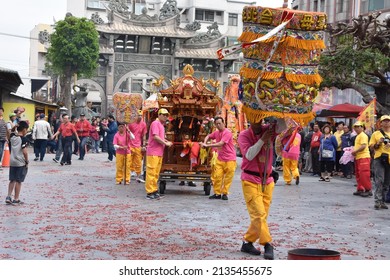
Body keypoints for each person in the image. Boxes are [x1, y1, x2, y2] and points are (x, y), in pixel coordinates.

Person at [238, 118, 286, 260]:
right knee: (259, 214)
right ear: (250, 121)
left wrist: (278, 115)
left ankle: (247, 241)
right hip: (250, 180)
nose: (258, 124)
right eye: (254, 121)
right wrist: (262, 140)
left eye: (260, 121)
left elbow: (282, 126)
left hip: (268, 180)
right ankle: (267, 244)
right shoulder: (244, 135)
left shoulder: (269, 129)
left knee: (261, 216)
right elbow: (249, 155)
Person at [201, 117, 236, 200]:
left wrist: (207, 145)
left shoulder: (227, 132)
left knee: (228, 178)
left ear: (224, 123)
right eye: (216, 124)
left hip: (230, 159)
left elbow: (220, 143)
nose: (218, 125)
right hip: (220, 158)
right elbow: (208, 136)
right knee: (217, 176)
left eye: (220, 123)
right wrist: (204, 142)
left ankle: (225, 193)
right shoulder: (216, 133)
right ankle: (217, 193)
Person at [144, 108, 173, 199]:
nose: (165, 117)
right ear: (159, 115)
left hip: (159, 152)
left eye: (166, 115)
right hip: (153, 152)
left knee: (156, 173)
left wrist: (166, 141)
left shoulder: (161, 125)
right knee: (151, 172)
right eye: (163, 115)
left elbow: (160, 137)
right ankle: (149, 192)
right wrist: (165, 143)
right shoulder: (155, 123)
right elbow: (155, 137)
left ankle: (154, 190)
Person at [5, 121, 29, 205]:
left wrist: (14, 127)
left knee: (12, 180)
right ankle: (16, 198)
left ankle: (8, 196)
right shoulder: (24, 139)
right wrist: (27, 161)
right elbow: (25, 152)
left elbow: (9, 132)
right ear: (24, 130)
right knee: (18, 181)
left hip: (12, 162)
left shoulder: (12, 137)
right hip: (20, 162)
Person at [369, 115, 390, 209]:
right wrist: (379, 143)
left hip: (389, 160)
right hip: (379, 159)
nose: (386, 122)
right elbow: (371, 147)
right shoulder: (376, 134)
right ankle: (377, 201)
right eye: (384, 121)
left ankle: (383, 201)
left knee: (387, 182)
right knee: (379, 180)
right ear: (380, 123)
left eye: (388, 121)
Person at [351, 121, 372, 198]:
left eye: (358, 127)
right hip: (358, 157)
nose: (356, 128)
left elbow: (363, 146)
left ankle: (368, 189)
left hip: (364, 157)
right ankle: (360, 188)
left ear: (362, 127)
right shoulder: (358, 136)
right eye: (355, 127)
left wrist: (355, 151)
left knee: (364, 174)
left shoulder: (363, 135)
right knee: (358, 174)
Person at [128, 110, 147, 183]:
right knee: (129, 160)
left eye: (141, 116)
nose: (139, 117)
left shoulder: (143, 124)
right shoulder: (131, 123)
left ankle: (138, 175)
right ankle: (129, 174)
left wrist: (144, 144)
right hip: (130, 144)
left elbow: (144, 135)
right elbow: (127, 132)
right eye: (138, 115)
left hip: (138, 145)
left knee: (138, 161)